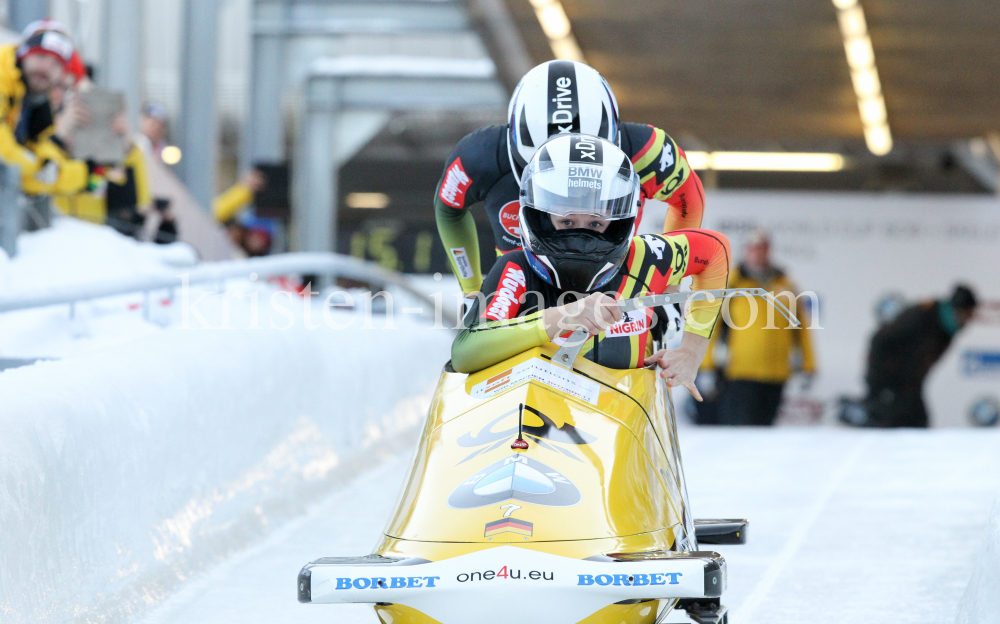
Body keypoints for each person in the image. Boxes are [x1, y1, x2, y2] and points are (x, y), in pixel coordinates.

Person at [451, 134, 730, 397]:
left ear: (617, 221)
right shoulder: (516, 269)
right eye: (567, 222)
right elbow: (466, 352)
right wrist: (562, 317)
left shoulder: (648, 257)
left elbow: (716, 252)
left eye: (595, 224)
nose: (580, 236)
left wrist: (692, 352)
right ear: (541, 217)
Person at [436, 60, 706, 296]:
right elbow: (449, 209)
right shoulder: (479, 156)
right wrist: (471, 291)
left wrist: (670, 286)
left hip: (615, 293)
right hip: (523, 290)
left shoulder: (649, 150)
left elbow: (688, 201)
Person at [697, 230, 816, 426]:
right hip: (740, 374)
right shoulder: (731, 284)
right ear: (745, 251)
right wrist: (706, 367)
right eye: (753, 248)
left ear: (769, 251)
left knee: (765, 431)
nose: (757, 253)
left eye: (762, 248)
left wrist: (808, 366)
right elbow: (711, 328)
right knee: (740, 430)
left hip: (776, 374)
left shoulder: (785, 284)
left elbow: (801, 330)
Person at [855, 284, 978, 428]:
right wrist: (880, 382)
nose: (968, 320)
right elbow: (881, 340)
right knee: (888, 427)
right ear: (958, 310)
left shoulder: (946, 328)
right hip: (889, 385)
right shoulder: (922, 316)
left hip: (909, 387)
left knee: (918, 424)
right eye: (967, 314)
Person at [0, 27, 88, 196]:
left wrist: (83, 172)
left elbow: (49, 171)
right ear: (24, 54)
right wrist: (38, 167)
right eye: (41, 56)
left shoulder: (38, 103)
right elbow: (6, 159)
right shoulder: (3, 77)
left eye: (55, 63)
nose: (46, 68)